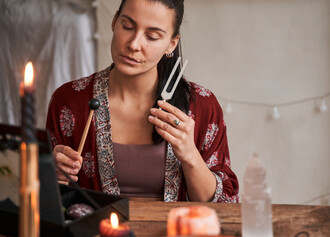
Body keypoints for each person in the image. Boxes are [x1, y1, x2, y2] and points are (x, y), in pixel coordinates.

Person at [46, 0, 239, 202]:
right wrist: (51, 174)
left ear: (171, 44)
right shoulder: (69, 101)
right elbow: (49, 204)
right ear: (114, 22)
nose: (134, 44)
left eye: (152, 36)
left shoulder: (202, 106)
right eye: (127, 26)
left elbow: (224, 204)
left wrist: (190, 155)